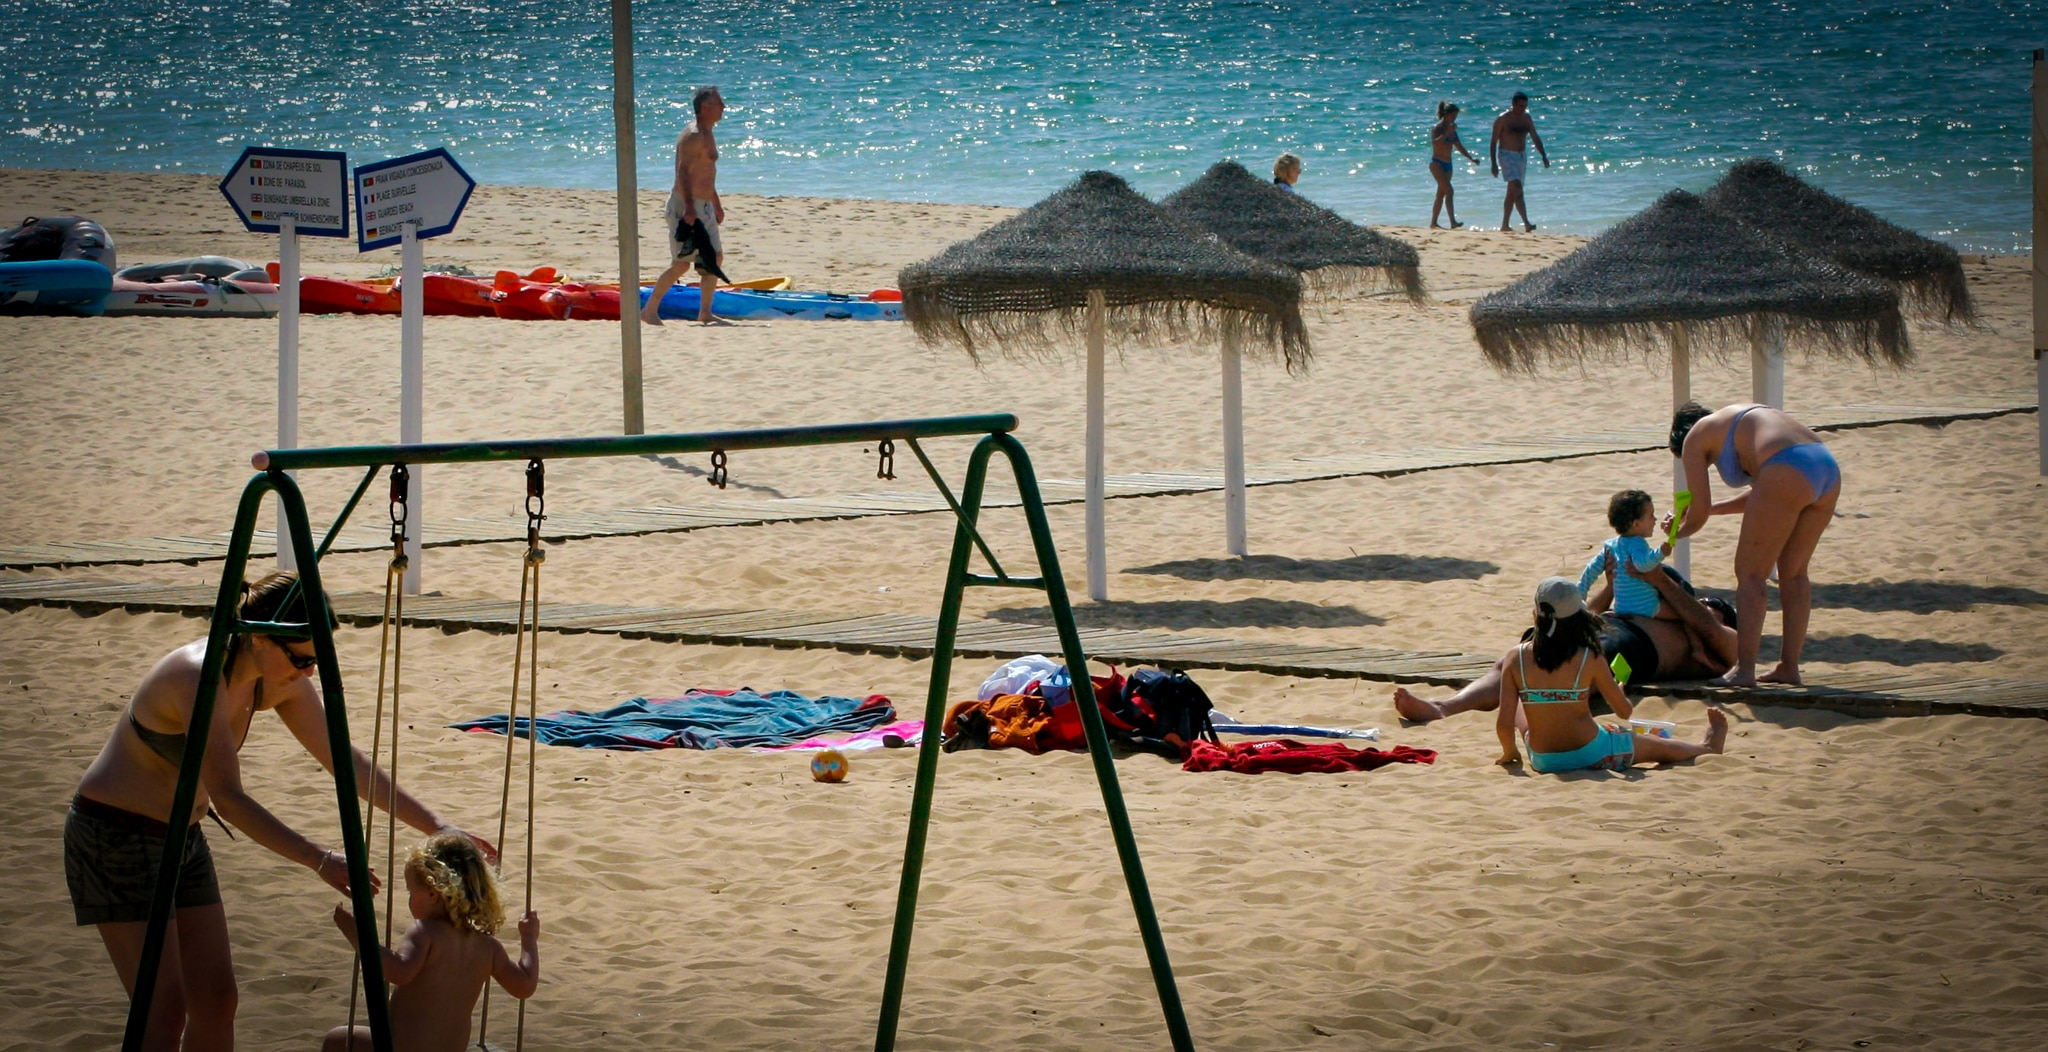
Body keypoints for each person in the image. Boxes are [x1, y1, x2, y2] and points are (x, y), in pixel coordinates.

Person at [66, 571, 493, 1049]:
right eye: (301, 659)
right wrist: (319, 858)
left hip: (181, 836)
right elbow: (229, 797)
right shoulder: (196, 674)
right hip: (115, 834)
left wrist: (436, 824)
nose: (308, 672)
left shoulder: (274, 679)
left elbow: (344, 761)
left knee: (217, 999)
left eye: (316, 661)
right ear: (258, 638)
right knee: (164, 1012)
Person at [1393, 555, 1738, 723]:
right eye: (1703, 599)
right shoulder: (1648, 608)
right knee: (1516, 659)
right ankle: (1442, 707)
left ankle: (1532, 722)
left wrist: (1663, 581)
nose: (1705, 602)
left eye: (1713, 604)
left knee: (1575, 671)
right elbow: (1591, 614)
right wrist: (1614, 583)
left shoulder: (1715, 636)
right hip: (1599, 627)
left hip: (1634, 647)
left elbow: (1708, 627)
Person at [1669, 401, 1843, 687]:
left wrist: (1676, 530)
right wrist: (1711, 510)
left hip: (1788, 467)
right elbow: (1770, 495)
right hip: (1825, 466)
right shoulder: (1738, 423)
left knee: (1750, 574)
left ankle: (1745, 670)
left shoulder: (1695, 437)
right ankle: (1789, 667)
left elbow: (1698, 513)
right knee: (1794, 573)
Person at [322, 833, 540, 1052]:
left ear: (432, 893)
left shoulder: (425, 932)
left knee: (337, 1040)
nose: (409, 899)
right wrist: (529, 939)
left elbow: (399, 971)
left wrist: (357, 934)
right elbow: (525, 986)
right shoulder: (488, 946)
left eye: (410, 890)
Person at [1494, 578, 1728, 773]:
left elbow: (1504, 725)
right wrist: (1618, 689)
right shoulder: (1589, 656)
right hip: (1591, 752)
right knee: (1655, 746)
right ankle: (1706, 748)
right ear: (1579, 618)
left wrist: (1510, 752)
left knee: (1521, 706)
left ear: (1536, 613)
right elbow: (1624, 712)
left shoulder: (1516, 657)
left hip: (1544, 759)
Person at [643, 85, 728, 326]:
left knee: (715, 257)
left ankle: (705, 312)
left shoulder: (708, 132)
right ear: (705, 107)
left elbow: (706, 174)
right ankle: (649, 311)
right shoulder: (693, 135)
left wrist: (716, 204)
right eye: (719, 103)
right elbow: (683, 171)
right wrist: (690, 208)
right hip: (686, 205)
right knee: (681, 264)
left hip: (705, 205)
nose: (723, 108)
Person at [1576, 489, 1681, 622]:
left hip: (1622, 607)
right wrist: (1661, 552)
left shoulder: (1611, 546)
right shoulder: (1637, 543)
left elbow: (1591, 570)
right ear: (1636, 524)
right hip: (1645, 606)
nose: (1655, 519)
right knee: (1683, 616)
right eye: (1651, 516)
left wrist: (1580, 591)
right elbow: (1642, 565)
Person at [1489, 91, 1549, 232]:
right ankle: (1526, 223)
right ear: (1513, 104)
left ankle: (1504, 225)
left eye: (1525, 106)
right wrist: (1493, 163)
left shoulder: (1526, 119)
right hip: (1506, 156)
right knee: (1517, 188)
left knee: (1512, 192)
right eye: (1520, 106)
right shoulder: (1502, 119)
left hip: (1521, 157)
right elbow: (1493, 142)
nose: (1523, 109)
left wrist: (1543, 155)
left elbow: (1535, 136)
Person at [1428, 102, 1479, 228]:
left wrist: (1471, 158)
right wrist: (1447, 132)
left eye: (1456, 116)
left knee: (1441, 194)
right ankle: (1452, 222)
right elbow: (1435, 143)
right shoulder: (1438, 128)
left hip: (1448, 164)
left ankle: (1433, 223)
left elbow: (1459, 146)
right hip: (1437, 163)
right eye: (1453, 115)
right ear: (1446, 115)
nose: (1454, 118)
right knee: (1449, 191)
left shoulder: (1452, 131)